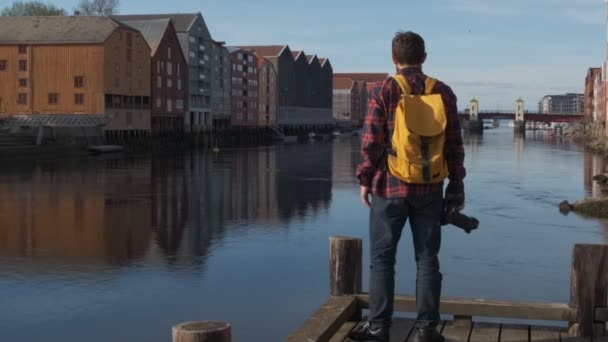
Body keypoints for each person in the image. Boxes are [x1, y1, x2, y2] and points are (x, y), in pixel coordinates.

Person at [348, 31, 466, 342]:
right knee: (427, 258)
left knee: (383, 259)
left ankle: (378, 328)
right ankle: (426, 331)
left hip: (389, 186)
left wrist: (364, 180)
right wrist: (456, 189)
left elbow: (371, 141)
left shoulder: (384, 89)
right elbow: (454, 145)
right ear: (424, 58)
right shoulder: (443, 92)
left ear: (393, 59)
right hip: (429, 189)